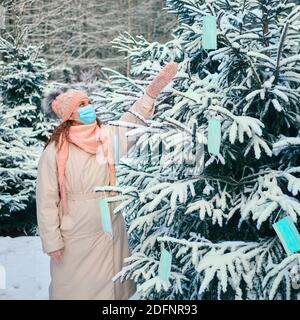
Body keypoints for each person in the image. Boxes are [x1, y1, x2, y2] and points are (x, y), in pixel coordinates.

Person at [36, 62, 178, 300]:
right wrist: (52, 241)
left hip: (108, 219)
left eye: (88, 102)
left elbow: (130, 123)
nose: (88, 107)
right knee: (77, 287)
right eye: (81, 105)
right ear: (69, 114)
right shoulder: (55, 150)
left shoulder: (104, 137)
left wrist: (150, 94)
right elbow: (46, 199)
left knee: (112, 285)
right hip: (75, 231)